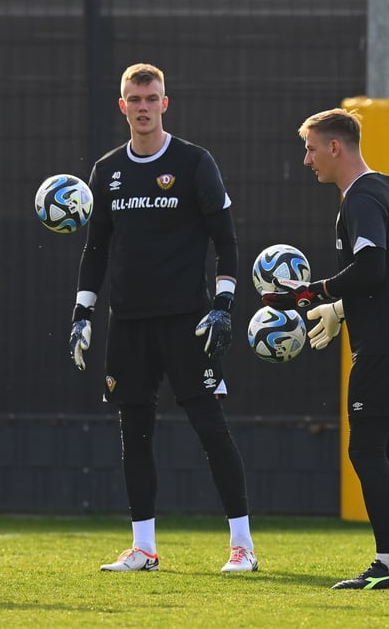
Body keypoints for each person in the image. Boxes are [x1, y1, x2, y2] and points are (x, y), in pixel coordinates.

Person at [68, 63, 257, 573]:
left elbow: (227, 242)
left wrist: (223, 305)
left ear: (165, 103)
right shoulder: (106, 171)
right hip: (128, 323)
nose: (144, 106)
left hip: (188, 320)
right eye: (135, 98)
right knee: (135, 432)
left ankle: (242, 546)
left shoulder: (196, 163)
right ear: (122, 105)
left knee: (210, 428)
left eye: (152, 97)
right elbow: (96, 249)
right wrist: (82, 312)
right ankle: (144, 548)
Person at [264, 108, 389, 589]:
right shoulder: (385, 187)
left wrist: (310, 293)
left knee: (366, 450)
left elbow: (372, 268)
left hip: (386, 346)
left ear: (335, 147)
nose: (306, 160)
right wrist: (341, 310)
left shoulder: (360, 199)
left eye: (311, 148)